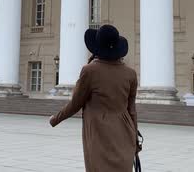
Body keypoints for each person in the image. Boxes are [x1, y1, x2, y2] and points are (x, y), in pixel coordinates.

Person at [49, 25, 138, 172]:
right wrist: (135, 138)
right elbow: (132, 110)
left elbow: (75, 104)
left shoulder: (89, 71)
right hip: (125, 133)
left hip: (99, 132)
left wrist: (55, 119)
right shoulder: (130, 74)